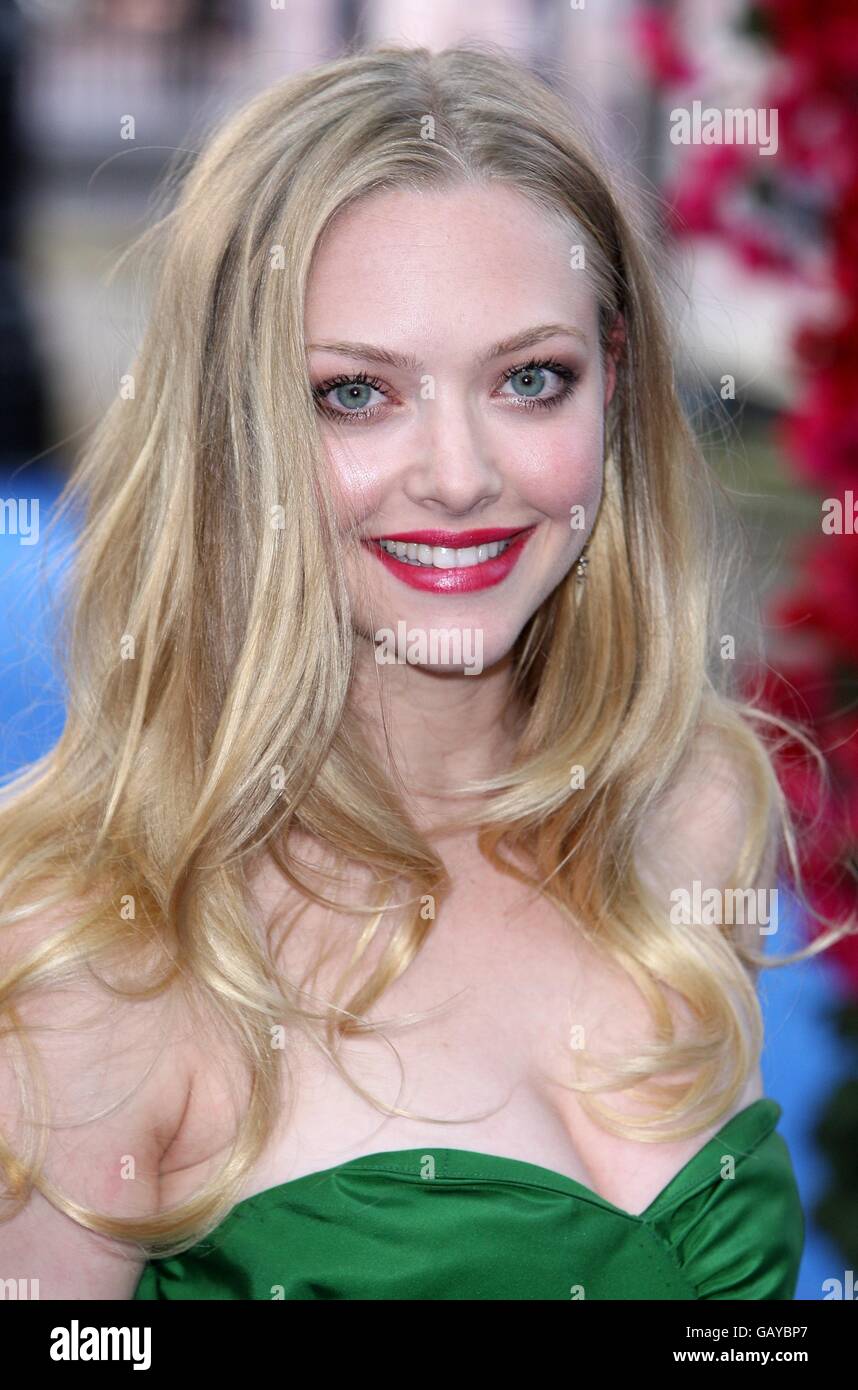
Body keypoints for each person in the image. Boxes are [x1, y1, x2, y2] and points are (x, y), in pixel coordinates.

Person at [0, 40, 851, 1301]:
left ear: (613, 387)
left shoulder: (687, 803)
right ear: (235, 427)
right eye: (357, 394)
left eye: (530, 379)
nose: (458, 474)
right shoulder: (93, 948)